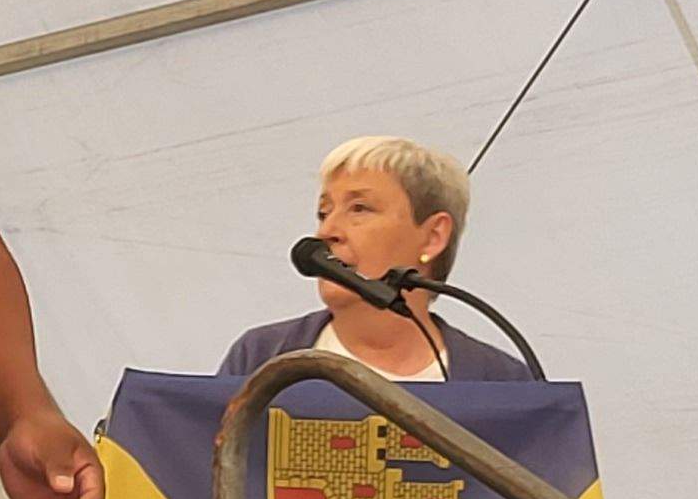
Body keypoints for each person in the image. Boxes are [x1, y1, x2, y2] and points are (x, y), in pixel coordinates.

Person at [214, 137, 530, 383]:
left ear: (433, 236)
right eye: (323, 213)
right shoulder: (260, 358)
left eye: (359, 209)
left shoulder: (502, 382)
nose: (327, 231)